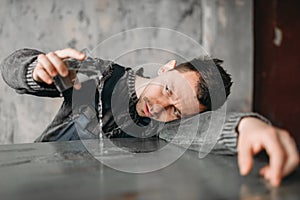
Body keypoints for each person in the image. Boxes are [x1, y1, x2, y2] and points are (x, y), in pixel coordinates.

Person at [1, 48, 299, 187]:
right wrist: (35, 69)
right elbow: (13, 69)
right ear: (166, 67)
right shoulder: (99, 76)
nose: (159, 108)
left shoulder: (163, 127)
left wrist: (247, 125)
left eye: (176, 111)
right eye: (168, 90)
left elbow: (203, 128)